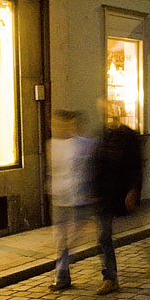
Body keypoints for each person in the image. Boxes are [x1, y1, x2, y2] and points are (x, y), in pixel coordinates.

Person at [92, 102, 143, 295]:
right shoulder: (103, 136)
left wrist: (134, 191)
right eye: (104, 110)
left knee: (132, 232)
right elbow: (96, 165)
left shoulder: (129, 136)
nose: (108, 114)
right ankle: (111, 278)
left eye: (111, 110)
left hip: (122, 194)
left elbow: (137, 166)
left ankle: (145, 259)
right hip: (105, 196)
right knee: (104, 237)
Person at [47, 109, 93, 290]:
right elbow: (52, 170)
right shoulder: (52, 144)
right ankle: (62, 277)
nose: (59, 127)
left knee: (74, 237)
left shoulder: (83, 144)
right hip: (59, 198)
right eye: (56, 123)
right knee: (60, 240)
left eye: (63, 123)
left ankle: (64, 268)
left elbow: (88, 168)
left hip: (78, 199)